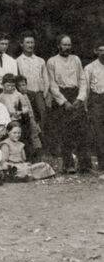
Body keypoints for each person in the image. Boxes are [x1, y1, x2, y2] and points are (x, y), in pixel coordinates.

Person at [46, 35, 92, 173]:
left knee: (82, 132)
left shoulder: (76, 59)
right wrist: (63, 102)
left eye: (69, 45)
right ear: (58, 46)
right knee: (65, 133)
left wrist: (80, 98)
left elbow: (82, 80)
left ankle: (85, 166)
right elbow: (52, 85)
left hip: (75, 95)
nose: (67, 48)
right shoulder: (52, 62)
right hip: (61, 97)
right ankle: (68, 165)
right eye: (64, 45)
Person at [86, 40, 104, 171]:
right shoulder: (90, 68)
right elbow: (86, 89)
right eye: (101, 50)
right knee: (98, 133)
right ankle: (102, 162)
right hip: (96, 100)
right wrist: (86, 106)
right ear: (96, 51)